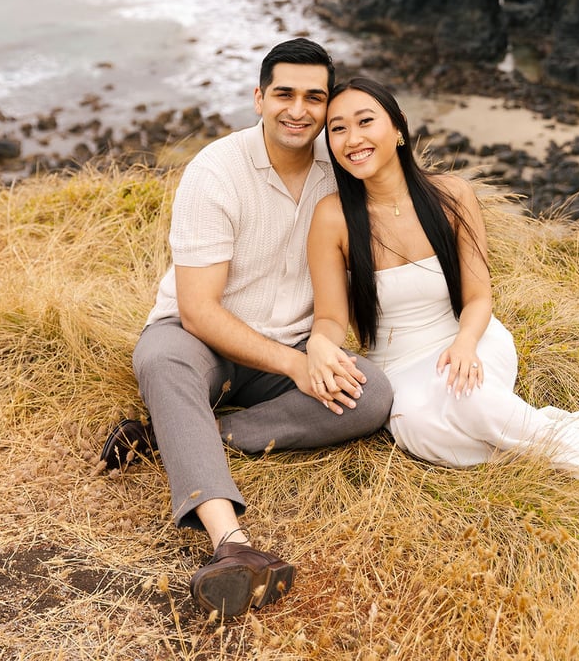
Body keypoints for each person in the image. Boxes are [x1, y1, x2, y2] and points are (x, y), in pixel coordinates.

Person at [100, 42, 393, 620]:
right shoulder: (216, 170)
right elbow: (198, 311)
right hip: (199, 342)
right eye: (284, 94)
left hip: (290, 349)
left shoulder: (343, 172)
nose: (299, 110)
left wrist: (316, 351)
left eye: (315, 97)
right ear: (259, 98)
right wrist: (295, 365)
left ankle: (171, 436)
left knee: (373, 395)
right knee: (162, 361)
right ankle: (230, 546)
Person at [306, 76, 579, 531]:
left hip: (467, 335)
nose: (352, 139)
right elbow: (331, 317)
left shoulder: (451, 195)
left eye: (365, 122)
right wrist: (320, 343)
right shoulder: (332, 216)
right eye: (337, 129)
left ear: (397, 127)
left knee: (470, 400)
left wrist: (464, 344)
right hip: (396, 363)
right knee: (420, 432)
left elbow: (478, 297)